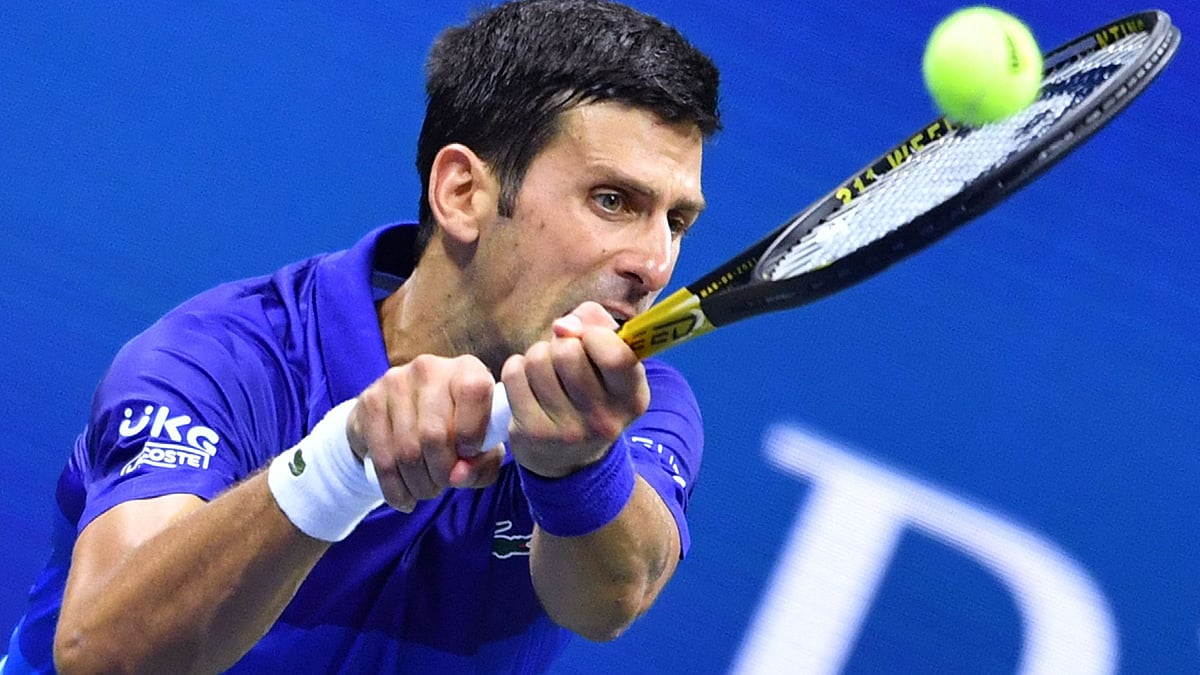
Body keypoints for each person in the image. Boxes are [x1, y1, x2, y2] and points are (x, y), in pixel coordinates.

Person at [1, 1, 720, 672]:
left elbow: (611, 598)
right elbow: (104, 653)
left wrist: (576, 466)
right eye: (612, 200)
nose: (654, 262)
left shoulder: (635, 408)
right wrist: (339, 467)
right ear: (463, 193)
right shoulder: (223, 358)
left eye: (676, 221)